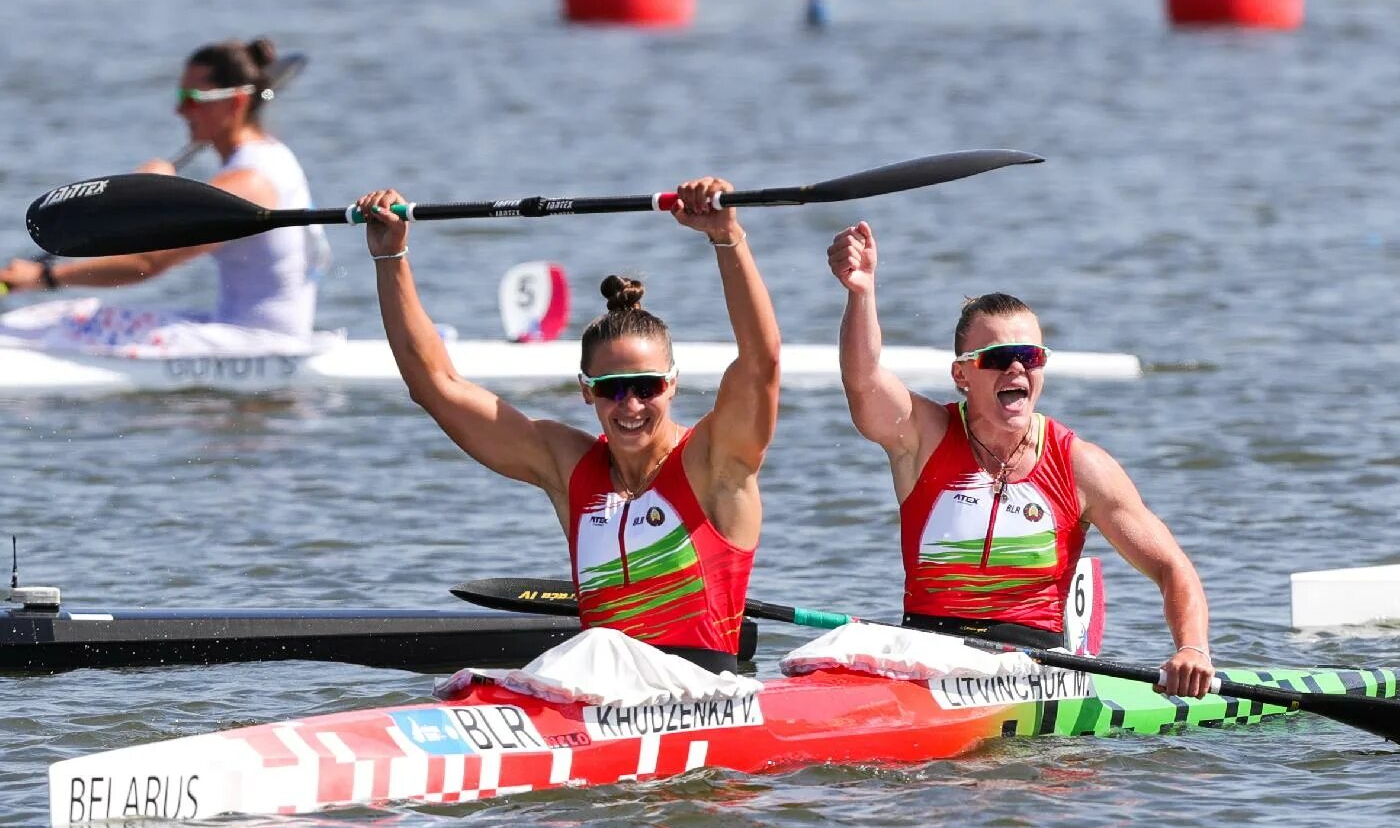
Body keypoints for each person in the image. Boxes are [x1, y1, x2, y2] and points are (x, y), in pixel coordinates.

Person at [356, 178, 780, 674]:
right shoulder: (569, 466)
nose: (630, 405)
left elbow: (760, 362)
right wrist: (390, 259)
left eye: (646, 387)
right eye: (610, 388)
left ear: (672, 384)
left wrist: (726, 237)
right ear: (585, 389)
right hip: (596, 694)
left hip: (701, 694)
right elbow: (435, 386)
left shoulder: (715, 462)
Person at [827, 221, 1214, 698]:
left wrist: (1192, 649)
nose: (1016, 368)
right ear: (961, 375)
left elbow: (1172, 567)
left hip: (1033, 668)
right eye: (997, 356)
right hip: (925, 655)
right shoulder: (922, 436)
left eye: (1029, 355)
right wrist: (861, 292)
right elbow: (863, 380)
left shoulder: (1080, 466)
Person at [0, 37, 328, 349]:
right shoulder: (271, 154)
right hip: (243, 328)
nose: (180, 111)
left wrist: (45, 277)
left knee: (66, 321)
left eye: (193, 99)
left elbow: (147, 262)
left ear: (237, 102)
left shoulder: (250, 181)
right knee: (56, 318)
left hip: (259, 343)